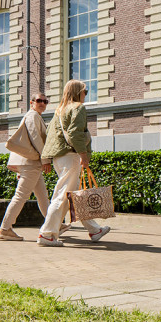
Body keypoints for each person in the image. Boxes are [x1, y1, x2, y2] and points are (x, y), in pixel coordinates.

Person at [37, 79, 110, 247]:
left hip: (59, 157)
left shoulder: (59, 111)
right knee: (62, 196)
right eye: (85, 91)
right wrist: (83, 155)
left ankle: (94, 230)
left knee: (73, 196)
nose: (86, 94)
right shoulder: (78, 108)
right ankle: (47, 234)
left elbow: (49, 137)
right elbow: (75, 133)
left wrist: (46, 159)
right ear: (78, 92)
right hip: (70, 156)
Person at [0, 93, 54, 241]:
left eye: (45, 101)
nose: (42, 103)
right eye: (39, 101)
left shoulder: (34, 116)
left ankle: (54, 224)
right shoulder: (33, 116)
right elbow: (35, 138)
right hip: (31, 163)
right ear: (32, 102)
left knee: (42, 196)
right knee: (21, 196)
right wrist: (46, 159)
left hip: (29, 163)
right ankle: (5, 228)